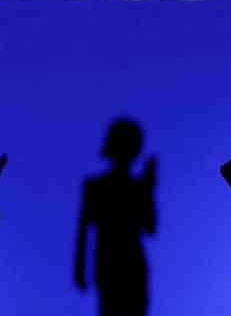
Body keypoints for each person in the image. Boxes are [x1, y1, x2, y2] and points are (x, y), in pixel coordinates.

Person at [74, 118, 157, 316]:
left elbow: (150, 227)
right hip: (112, 267)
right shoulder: (96, 187)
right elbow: (84, 230)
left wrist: (148, 189)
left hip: (129, 268)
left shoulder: (134, 188)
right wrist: (80, 268)